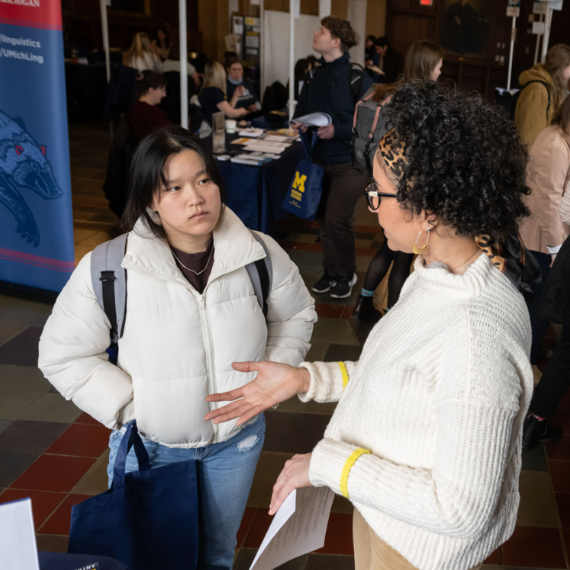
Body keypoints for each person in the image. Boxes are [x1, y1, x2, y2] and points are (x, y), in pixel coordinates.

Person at [206, 81, 534, 570]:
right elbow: (399, 378)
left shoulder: (474, 332)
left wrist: (327, 464)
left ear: (428, 209)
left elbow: (461, 510)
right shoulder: (438, 275)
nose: (370, 205)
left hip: (414, 551)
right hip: (389, 522)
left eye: (378, 192)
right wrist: (304, 379)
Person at [38, 126, 317, 570]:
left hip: (236, 442)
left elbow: (296, 314)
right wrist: (132, 407)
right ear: (151, 199)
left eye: (204, 179)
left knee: (217, 555)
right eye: (174, 187)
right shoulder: (111, 267)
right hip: (153, 446)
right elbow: (62, 353)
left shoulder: (259, 252)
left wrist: (270, 379)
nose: (196, 197)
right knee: (149, 558)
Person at [353, 40, 444, 322]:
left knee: (388, 248)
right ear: (429, 66)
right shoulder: (422, 101)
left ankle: (363, 302)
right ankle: (393, 318)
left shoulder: (390, 91)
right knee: (403, 258)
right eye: (439, 67)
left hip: (383, 185)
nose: (441, 72)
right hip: (406, 189)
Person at [294, 16, 373, 299]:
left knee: (337, 218)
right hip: (319, 160)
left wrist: (335, 129)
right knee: (323, 220)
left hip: (350, 162)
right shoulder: (314, 75)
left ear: (336, 41)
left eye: (322, 31)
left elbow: (369, 121)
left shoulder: (357, 77)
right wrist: (300, 122)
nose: (316, 33)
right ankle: (331, 272)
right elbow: (302, 108)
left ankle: (347, 273)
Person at [521, 94, 570, 449]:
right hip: (543, 241)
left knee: (538, 315)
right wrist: (556, 249)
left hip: (544, 240)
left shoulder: (557, 136)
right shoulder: (556, 144)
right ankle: (524, 401)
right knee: (538, 315)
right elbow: (549, 202)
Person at [515, 43, 570, 149]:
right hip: (535, 161)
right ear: (561, 66)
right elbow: (530, 138)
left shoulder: (552, 89)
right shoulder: (538, 91)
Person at [198, 61, 248, 126]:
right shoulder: (213, 91)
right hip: (214, 130)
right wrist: (242, 110)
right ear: (220, 74)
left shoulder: (206, 89)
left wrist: (236, 95)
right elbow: (230, 113)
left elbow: (226, 109)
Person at [128, 70, 171, 143]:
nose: (164, 95)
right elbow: (167, 136)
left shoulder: (136, 107)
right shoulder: (150, 112)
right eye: (162, 90)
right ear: (151, 90)